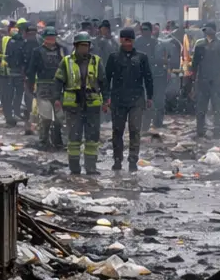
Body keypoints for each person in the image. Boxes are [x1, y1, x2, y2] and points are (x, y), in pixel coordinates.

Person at [104, 26, 154, 172]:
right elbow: (107, 79)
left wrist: (149, 96)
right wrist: (106, 98)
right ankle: (117, 160)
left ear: (133, 41)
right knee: (117, 131)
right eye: (125, 40)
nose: (127, 43)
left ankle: (133, 160)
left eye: (130, 40)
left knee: (135, 129)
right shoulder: (113, 57)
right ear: (120, 40)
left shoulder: (141, 58)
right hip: (118, 99)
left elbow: (148, 78)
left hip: (136, 99)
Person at [55, 31, 104, 175]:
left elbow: (103, 81)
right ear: (75, 46)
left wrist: (107, 99)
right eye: (81, 45)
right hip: (73, 106)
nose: (84, 48)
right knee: (74, 138)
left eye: (86, 45)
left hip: (92, 105)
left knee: (92, 139)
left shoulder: (96, 61)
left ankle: (91, 167)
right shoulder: (66, 61)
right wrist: (57, 98)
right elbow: (58, 81)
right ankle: (74, 168)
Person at [28, 26, 65, 148]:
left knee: (60, 118)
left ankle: (58, 140)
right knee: (46, 117)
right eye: (48, 37)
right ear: (44, 38)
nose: (51, 39)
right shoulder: (37, 52)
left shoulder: (62, 51)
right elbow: (31, 70)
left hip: (59, 87)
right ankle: (43, 141)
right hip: (43, 86)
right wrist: (30, 85)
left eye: (53, 37)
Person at [191, 22, 220, 137]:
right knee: (201, 107)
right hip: (203, 80)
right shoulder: (199, 45)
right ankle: (200, 131)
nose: (205, 32)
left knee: (217, 106)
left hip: (217, 81)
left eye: (207, 29)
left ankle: (217, 131)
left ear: (213, 30)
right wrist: (194, 78)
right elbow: (195, 63)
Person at [136, 21, 172, 128]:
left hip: (158, 76)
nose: (144, 32)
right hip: (143, 77)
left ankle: (157, 124)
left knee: (159, 102)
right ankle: (145, 125)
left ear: (151, 31)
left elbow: (166, 60)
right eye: (143, 30)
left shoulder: (159, 43)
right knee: (145, 102)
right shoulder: (137, 43)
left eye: (146, 30)